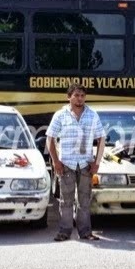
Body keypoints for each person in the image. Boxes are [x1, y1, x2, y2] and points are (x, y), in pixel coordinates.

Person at [46, 83, 106, 242]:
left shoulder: (92, 115)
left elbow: (101, 139)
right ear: (69, 97)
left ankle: (85, 232)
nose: (80, 99)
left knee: (85, 200)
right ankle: (64, 232)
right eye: (76, 95)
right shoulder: (60, 115)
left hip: (86, 164)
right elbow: (50, 138)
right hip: (66, 164)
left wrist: (97, 163)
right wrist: (55, 161)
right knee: (66, 200)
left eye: (82, 96)